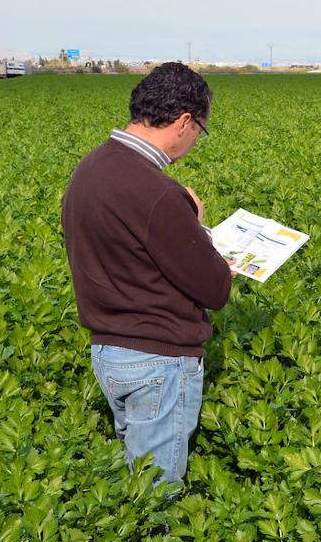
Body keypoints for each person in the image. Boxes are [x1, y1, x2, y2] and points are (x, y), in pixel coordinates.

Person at [62, 62, 233, 484]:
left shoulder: (91, 168)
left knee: (134, 482)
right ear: (184, 122)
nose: (195, 141)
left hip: (110, 352)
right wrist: (199, 229)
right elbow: (213, 288)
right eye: (200, 131)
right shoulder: (156, 192)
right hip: (158, 359)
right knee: (155, 494)